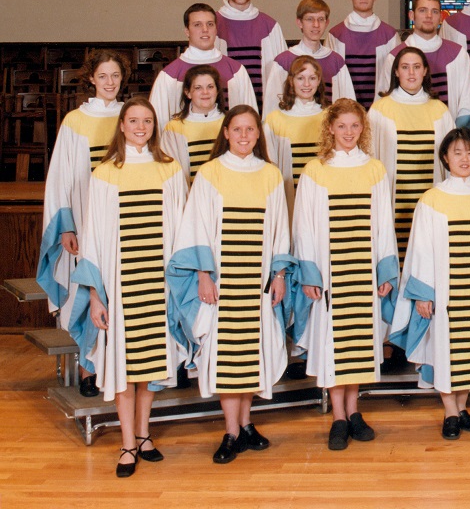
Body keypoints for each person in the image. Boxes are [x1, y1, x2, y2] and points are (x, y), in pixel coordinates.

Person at [67, 97, 188, 477]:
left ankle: (144, 434)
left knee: (150, 364)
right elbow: (94, 236)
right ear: (121, 125)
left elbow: (181, 232)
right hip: (121, 285)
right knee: (124, 364)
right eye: (133, 120)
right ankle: (125, 444)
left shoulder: (169, 171)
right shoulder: (105, 173)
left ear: (155, 127)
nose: (140, 127)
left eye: (147, 121)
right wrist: (94, 294)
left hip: (157, 282)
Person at [166, 106, 291, 464]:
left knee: (252, 353)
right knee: (225, 356)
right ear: (226, 133)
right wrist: (203, 274)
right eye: (237, 129)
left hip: (257, 282)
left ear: (257, 135)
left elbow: (281, 228)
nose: (243, 136)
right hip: (221, 283)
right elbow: (197, 227)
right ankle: (231, 431)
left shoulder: (270, 175)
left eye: (250, 130)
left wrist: (279, 275)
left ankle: (247, 423)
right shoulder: (209, 173)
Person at [389, 128, 470, 440]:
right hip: (444, 294)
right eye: (457, 152)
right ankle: (450, 411)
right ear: (445, 157)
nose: (464, 158)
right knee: (445, 351)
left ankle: (463, 405)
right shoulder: (432, 200)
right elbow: (420, 250)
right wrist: (422, 295)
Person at [292, 99, 399, 451]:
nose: (349, 133)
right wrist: (310, 272)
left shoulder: (375, 169)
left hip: (364, 270)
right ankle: (338, 415)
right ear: (330, 130)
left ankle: (355, 411)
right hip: (330, 271)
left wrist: (386, 269)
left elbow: (384, 222)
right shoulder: (315, 170)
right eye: (342, 127)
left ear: (363, 130)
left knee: (359, 343)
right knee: (333, 344)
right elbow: (304, 226)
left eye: (355, 126)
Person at [38, 49, 129, 397]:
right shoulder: (76, 121)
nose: (109, 82)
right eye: (103, 76)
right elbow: (61, 177)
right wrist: (66, 227)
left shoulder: (131, 116)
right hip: (86, 221)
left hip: (124, 218)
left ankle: (121, 366)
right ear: (91, 78)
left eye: (115, 76)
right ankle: (89, 370)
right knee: (89, 290)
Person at [368, 46, 452, 264]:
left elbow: (449, 161)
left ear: (425, 71)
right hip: (394, 199)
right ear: (396, 72)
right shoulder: (380, 110)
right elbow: (370, 161)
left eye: (416, 67)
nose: (411, 73)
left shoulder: (439, 110)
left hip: (429, 196)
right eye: (405, 67)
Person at [151, 3, 257, 132]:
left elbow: (250, 119)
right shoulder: (169, 75)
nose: (205, 29)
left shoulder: (236, 71)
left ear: (216, 29)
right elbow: (158, 124)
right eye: (197, 25)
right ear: (187, 31)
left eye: (210, 24)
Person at [382, 0, 470, 127]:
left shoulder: (458, 54)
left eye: (434, 11)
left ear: (440, 17)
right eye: (423, 11)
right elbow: (385, 106)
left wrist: (455, 138)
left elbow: (468, 103)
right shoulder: (394, 57)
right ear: (412, 16)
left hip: (450, 138)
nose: (429, 16)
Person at [261, 0, 355, 117]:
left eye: (321, 19)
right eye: (310, 19)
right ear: (299, 22)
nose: (316, 25)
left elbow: (348, 106)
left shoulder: (336, 62)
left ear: (327, 23)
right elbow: (271, 108)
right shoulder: (283, 62)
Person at [215, 0, 286, 108]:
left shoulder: (269, 26)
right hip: (223, 111)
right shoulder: (213, 25)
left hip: (261, 110)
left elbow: (282, 77)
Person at [262, 56, 326, 214]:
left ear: (319, 81)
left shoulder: (330, 117)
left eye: (312, 78)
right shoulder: (274, 120)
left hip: (322, 196)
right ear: (291, 81)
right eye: (300, 78)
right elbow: (270, 167)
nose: (306, 84)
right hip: (288, 198)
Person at [328, 0, 401, 107]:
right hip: (345, 111)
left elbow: (396, 78)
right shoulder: (335, 35)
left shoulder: (389, 35)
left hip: (380, 109)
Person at [162, 65, 224, 184]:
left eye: (210, 87)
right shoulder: (174, 128)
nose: (205, 92)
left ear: (217, 90)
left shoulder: (229, 123)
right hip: (188, 195)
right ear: (188, 93)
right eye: (198, 88)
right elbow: (170, 172)